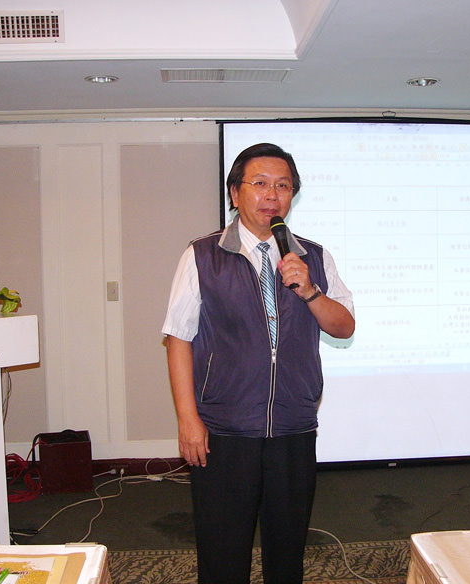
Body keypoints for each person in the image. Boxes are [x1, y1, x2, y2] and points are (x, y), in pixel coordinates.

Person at [162, 142, 355, 584]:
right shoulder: (202, 255)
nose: (272, 195)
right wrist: (188, 419)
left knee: (287, 552)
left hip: (293, 427)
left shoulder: (314, 257)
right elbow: (178, 338)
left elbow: (344, 327)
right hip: (225, 429)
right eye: (261, 183)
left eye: (283, 186)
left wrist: (310, 291)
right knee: (222, 551)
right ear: (235, 193)